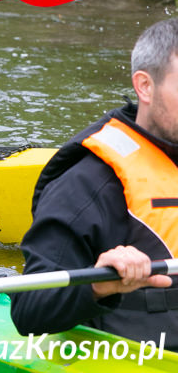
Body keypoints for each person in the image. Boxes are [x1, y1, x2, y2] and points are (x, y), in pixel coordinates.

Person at [10, 18, 178, 349]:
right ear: (145, 86)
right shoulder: (88, 185)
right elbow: (29, 309)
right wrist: (99, 284)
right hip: (138, 354)